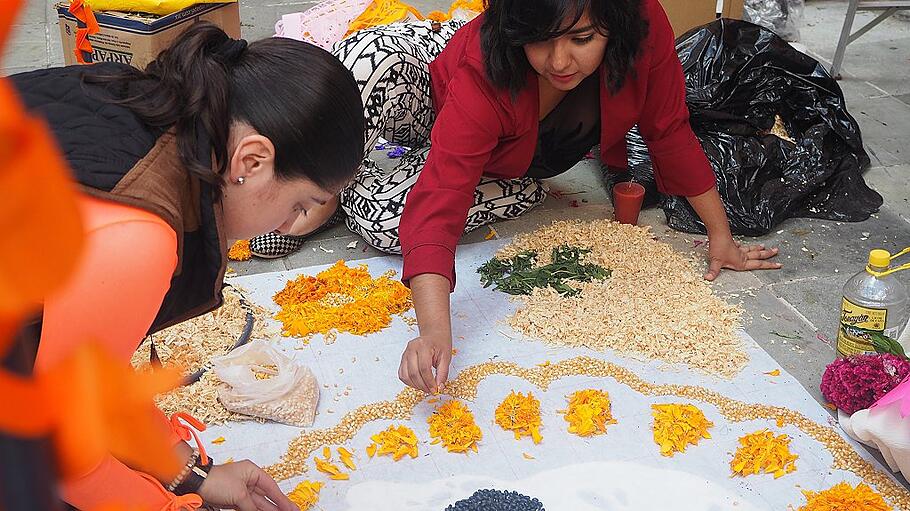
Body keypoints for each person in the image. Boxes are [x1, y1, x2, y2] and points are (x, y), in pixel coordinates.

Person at [326, 0, 782, 395]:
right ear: (517, 30)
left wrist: (721, 236)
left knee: (388, 223)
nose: (560, 60)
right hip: (438, 82)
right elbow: (443, 192)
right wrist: (434, 331)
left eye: (581, 38)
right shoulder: (484, 69)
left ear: (613, 23)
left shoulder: (642, 26)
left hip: (507, 162)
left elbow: (669, 130)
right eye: (540, 40)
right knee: (360, 66)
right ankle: (320, 190)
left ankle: (339, 180)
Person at [12, 22, 364, 510]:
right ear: (253, 161)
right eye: (302, 206)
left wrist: (188, 474)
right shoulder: (140, 237)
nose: (290, 228)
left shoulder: (154, 110)